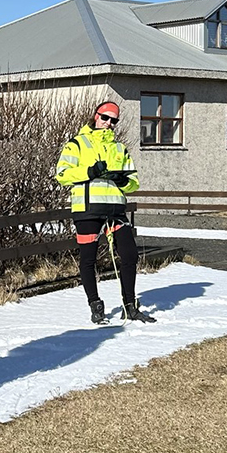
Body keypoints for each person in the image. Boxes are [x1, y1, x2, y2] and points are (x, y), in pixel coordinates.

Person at [55, 99, 144, 323]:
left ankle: (130, 305)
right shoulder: (76, 144)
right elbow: (62, 174)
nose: (109, 123)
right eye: (105, 118)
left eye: (114, 120)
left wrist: (124, 181)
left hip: (115, 209)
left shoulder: (119, 148)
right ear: (96, 116)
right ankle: (95, 304)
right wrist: (90, 172)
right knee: (88, 259)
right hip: (87, 209)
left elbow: (134, 182)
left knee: (130, 255)